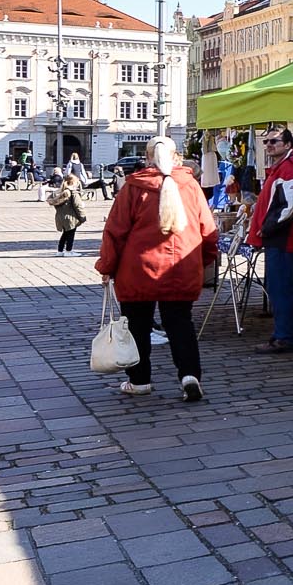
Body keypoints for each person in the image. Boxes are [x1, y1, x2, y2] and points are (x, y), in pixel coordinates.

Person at [96, 136, 218, 400]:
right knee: (180, 324)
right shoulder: (191, 187)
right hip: (180, 269)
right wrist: (202, 261)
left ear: (148, 157)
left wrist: (106, 266)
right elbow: (208, 231)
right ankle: (189, 375)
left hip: (138, 269)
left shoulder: (133, 187)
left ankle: (139, 380)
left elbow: (115, 232)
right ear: (176, 158)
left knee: (137, 326)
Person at [246, 127, 293, 352]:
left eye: (273, 141)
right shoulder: (283, 168)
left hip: (282, 237)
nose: (268, 145)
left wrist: (267, 228)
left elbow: (291, 205)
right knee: (290, 286)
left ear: (287, 144)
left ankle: (285, 337)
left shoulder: (290, 168)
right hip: (282, 236)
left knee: (280, 287)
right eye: (266, 142)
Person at [50, 173, 87, 255]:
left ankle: (60, 251)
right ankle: (68, 250)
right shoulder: (73, 193)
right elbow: (78, 206)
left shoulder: (60, 192)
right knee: (70, 234)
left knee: (65, 234)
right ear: (74, 183)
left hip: (60, 217)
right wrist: (82, 217)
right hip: (71, 217)